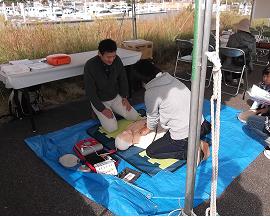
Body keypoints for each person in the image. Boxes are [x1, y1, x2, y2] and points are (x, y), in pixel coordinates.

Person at [125, 61, 211, 163]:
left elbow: (152, 118)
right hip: (201, 123)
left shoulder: (151, 93)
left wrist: (147, 128)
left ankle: (195, 151)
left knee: (151, 151)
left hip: (184, 133)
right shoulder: (170, 78)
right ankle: (202, 132)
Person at [84, 39, 139, 133]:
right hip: (100, 100)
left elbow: (123, 79)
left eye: (113, 56)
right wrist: (102, 109)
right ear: (99, 54)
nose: (111, 59)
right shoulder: (90, 65)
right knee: (112, 128)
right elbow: (90, 91)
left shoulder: (117, 60)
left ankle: (114, 111)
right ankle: (97, 112)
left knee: (134, 116)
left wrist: (125, 97)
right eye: (108, 57)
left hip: (115, 97)